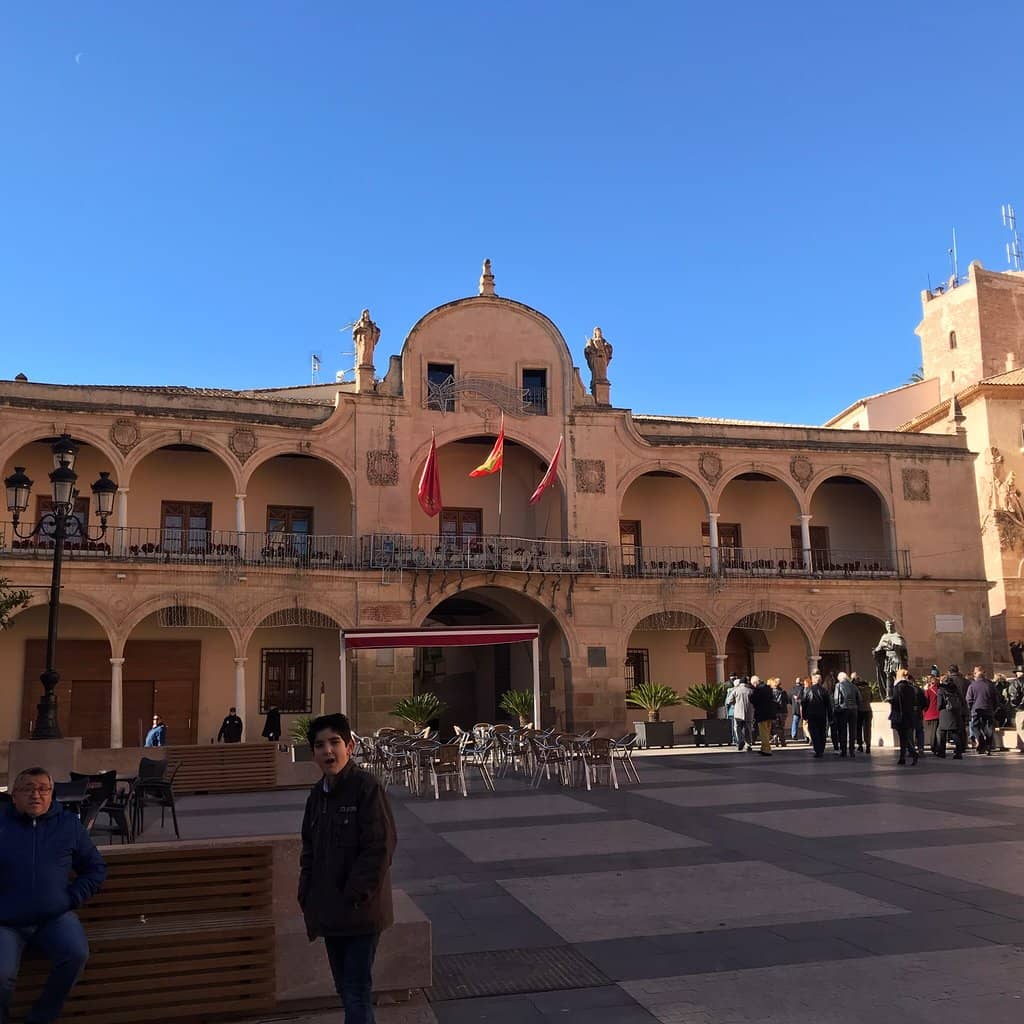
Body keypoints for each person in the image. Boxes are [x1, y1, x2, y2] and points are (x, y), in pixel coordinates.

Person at [298, 713, 396, 1024]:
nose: (328, 751)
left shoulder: (366, 788)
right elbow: (309, 849)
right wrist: (307, 892)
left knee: (355, 990)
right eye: (319, 745)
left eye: (335, 743)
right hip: (329, 912)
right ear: (313, 753)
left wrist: (355, 893)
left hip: (359, 912)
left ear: (350, 746)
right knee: (345, 988)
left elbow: (380, 846)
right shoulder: (317, 796)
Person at [0, 767, 107, 1024]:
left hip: (55, 916)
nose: (35, 795)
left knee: (76, 954)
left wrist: (71, 899)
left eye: (43, 789)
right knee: (1, 974)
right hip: (6, 922)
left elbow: (95, 868)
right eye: (27, 789)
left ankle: (41, 1018)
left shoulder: (68, 826)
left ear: (51, 795)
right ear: (14, 796)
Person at [966, 665, 998, 756]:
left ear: (976, 675)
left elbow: (968, 699)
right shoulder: (990, 684)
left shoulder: (972, 686)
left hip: (976, 710)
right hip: (988, 709)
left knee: (976, 727)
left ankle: (982, 743)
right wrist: (994, 708)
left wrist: (971, 708)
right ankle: (988, 745)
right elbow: (996, 698)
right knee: (988, 728)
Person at [890, 669, 919, 766]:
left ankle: (913, 753)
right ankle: (902, 757)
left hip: (900, 715)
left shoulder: (897, 687)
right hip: (909, 715)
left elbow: (895, 702)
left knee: (903, 737)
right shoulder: (911, 687)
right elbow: (915, 701)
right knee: (905, 736)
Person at [801, 673, 832, 758]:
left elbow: (804, 703)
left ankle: (818, 750)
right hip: (822, 714)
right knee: (822, 732)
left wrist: (804, 715)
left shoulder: (808, 690)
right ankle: (821, 749)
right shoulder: (824, 690)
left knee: (814, 732)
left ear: (813, 680)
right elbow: (828, 705)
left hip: (812, 714)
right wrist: (830, 716)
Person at [936, 674, 967, 759]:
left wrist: (938, 709)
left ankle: (941, 752)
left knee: (942, 733)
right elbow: (962, 700)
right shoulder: (955, 689)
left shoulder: (941, 690)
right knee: (954, 733)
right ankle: (959, 752)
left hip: (944, 713)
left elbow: (939, 704)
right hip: (955, 712)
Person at [832, 672, 861, 758]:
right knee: (852, 730)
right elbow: (859, 698)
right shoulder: (853, 686)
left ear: (840, 678)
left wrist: (836, 708)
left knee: (843, 730)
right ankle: (852, 750)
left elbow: (836, 698)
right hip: (853, 710)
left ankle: (844, 750)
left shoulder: (839, 685)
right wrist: (856, 706)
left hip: (843, 709)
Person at [750, 676, 776, 756]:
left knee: (763, 733)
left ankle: (767, 750)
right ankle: (763, 748)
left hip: (762, 714)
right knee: (767, 732)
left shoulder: (758, 690)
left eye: (753, 684)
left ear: (755, 683)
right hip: (770, 713)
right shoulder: (768, 688)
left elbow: (753, 700)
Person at [728, 677, 754, 751]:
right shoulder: (750, 691)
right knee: (748, 728)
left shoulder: (735, 690)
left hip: (738, 713)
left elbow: (729, 701)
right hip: (748, 713)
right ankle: (748, 744)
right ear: (746, 683)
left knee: (738, 728)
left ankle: (740, 741)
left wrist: (735, 703)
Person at [852, 672, 874, 753]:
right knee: (867, 729)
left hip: (859, 710)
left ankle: (860, 745)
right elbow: (871, 699)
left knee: (858, 728)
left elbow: (855, 699)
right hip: (868, 710)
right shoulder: (868, 688)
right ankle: (868, 745)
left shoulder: (856, 689)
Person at [923, 669, 941, 754]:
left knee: (933, 731)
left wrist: (924, 711)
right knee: (937, 731)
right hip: (938, 713)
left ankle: (934, 747)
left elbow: (925, 702)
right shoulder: (939, 690)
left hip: (930, 713)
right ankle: (936, 746)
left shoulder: (928, 691)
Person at [769, 678, 790, 747]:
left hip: (775, 711)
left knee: (775, 726)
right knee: (781, 727)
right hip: (783, 711)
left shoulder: (771, 692)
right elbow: (787, 701)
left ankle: (775, 736)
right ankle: (782, 741)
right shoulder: (783, 692)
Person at [790, 676, 806, 743]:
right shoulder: (803, 688)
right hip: (802, 708)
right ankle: (806, 736)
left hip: (795, 708)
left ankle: (794, 735)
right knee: (804, 723)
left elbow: (789, 699)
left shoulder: (792, 689)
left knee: (795, 722)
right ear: (801, 682)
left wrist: (793, 704)